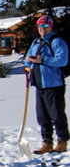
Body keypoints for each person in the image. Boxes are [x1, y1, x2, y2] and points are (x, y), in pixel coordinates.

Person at [25, 15, 69, 154]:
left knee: (56, 115)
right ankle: (47, 142)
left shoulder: (57, 41)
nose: (42, 29)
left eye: (45, 26)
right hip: (39, 84)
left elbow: (62, 60)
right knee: (42, 116)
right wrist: (29, 64)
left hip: (53, 84)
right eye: (40, 27)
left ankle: (62, 141)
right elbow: (28, 60)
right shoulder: (36, 42)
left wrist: (42, 60)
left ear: (51, 26)